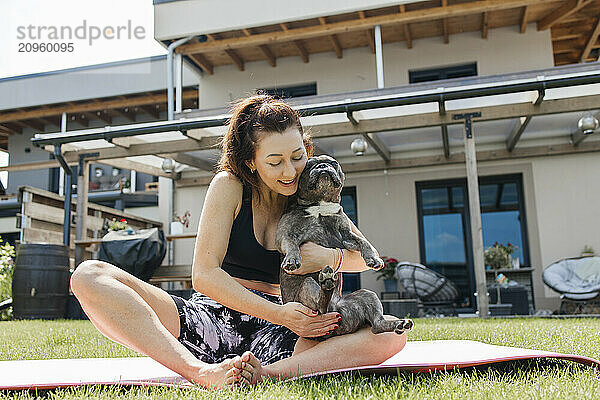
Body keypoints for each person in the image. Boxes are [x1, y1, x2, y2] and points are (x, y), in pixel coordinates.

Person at [70, 94, 407, 388]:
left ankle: (269, 375)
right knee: (89, 276)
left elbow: (363, 256)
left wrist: (327, 260)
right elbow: (203, 274)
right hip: (213, 318)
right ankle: (201, 373)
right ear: (251, 162)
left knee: (392, 334)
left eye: (297, 156)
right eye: (275, 162)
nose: (290, 171)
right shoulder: (229, 186)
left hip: (290, 329)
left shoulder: (313, 187)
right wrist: (280, 314)